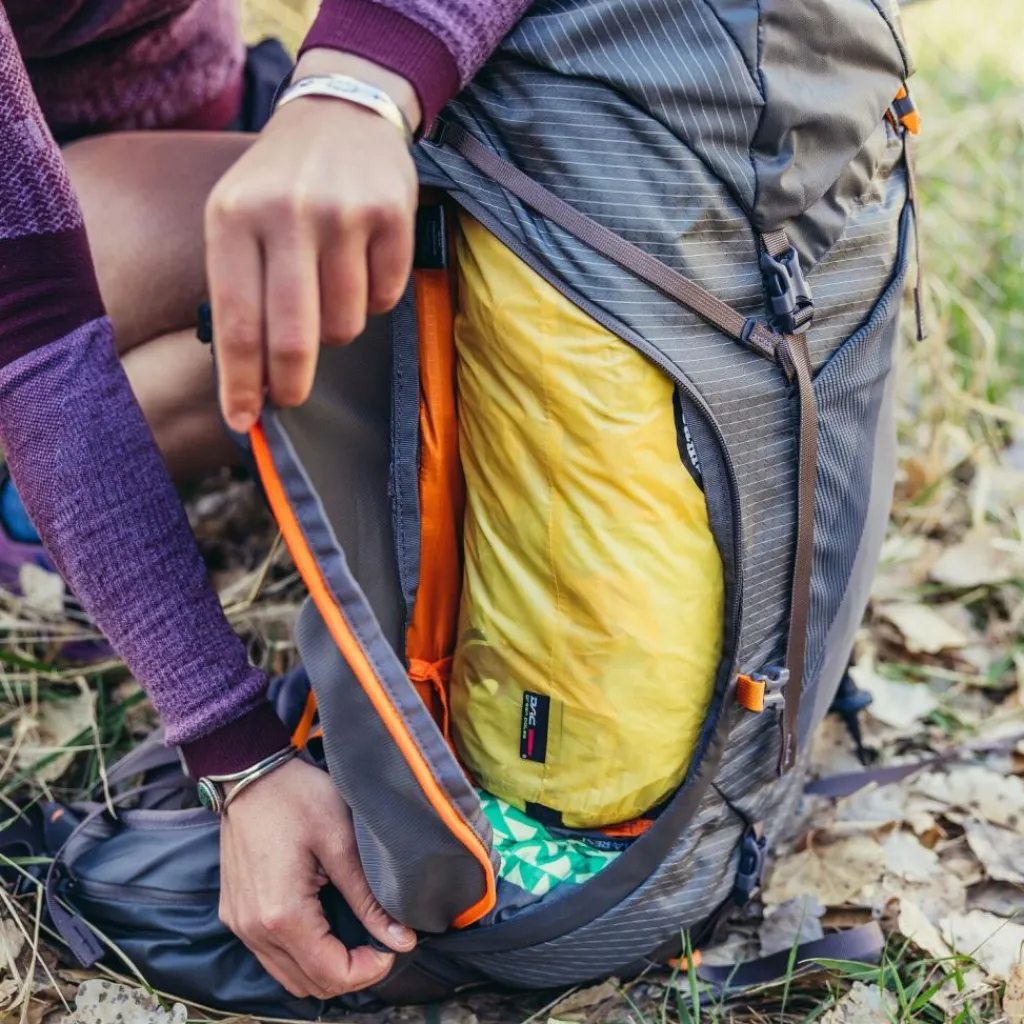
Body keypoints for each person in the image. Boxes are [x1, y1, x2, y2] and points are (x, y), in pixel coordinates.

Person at [0, 0, 531, 1000]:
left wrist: (353, 86)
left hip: (215, 123)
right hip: (42, 235)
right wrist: (234, 753)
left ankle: (69, 470)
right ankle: (45, 491)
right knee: (377, 262)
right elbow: (29, 319)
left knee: (360, 265)